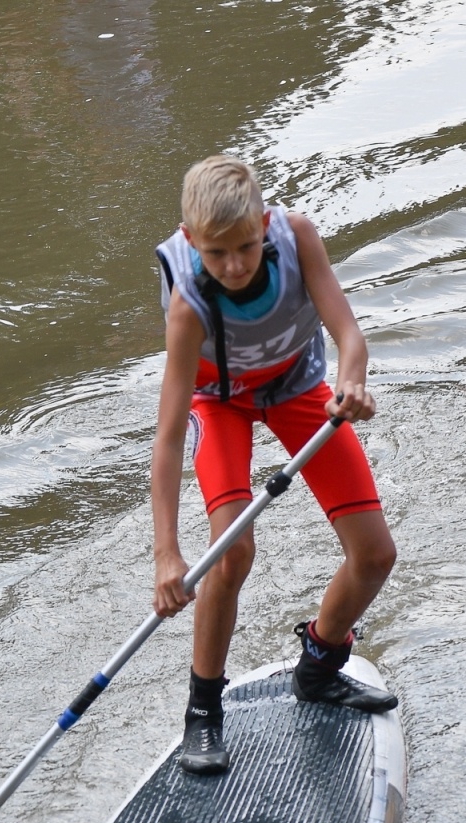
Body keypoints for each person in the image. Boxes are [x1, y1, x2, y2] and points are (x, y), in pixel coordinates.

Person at [150, 155, 398, 776]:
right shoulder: (189, 305)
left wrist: (352, 384)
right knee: (232, 552)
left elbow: (348, 335)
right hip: (221, 403)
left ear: (265, 224)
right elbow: (170, 435)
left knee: (374, 555)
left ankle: (320, 664)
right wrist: (167, 555)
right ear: (190, 242)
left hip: (297, 392)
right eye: (215, 254)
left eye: (245, 247)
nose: (233, 266)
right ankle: (203, 715)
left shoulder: (299, 238)